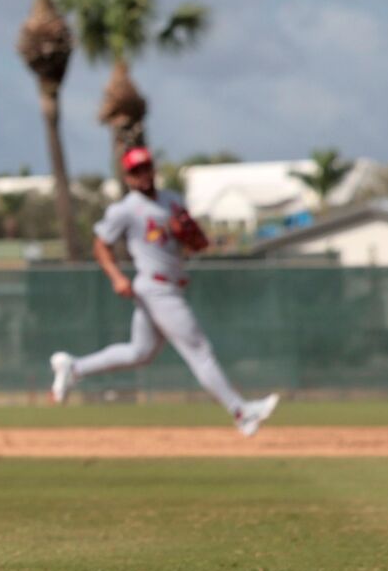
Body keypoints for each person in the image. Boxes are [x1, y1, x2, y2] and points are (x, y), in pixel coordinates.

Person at [50, 146, 279, 435]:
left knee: (140, 353)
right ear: (128, 177)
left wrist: (189, 236)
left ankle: (74, 368)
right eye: (135, 171)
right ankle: (241, 412)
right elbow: (100, 245)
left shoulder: (172, 200)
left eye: (145, 167)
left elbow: (198, 243)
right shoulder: (125, 209)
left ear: (153, 169)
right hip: (155, 287)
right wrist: (116, 277)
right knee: (199, 351)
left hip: (169, 285)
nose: (142, 174)